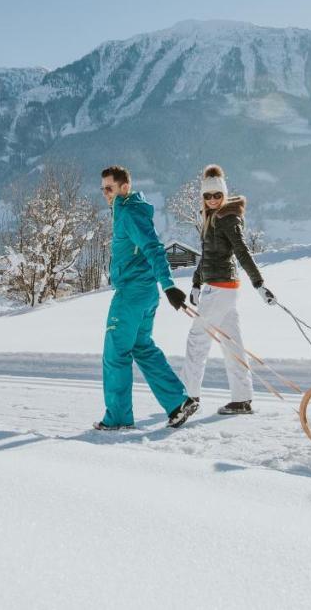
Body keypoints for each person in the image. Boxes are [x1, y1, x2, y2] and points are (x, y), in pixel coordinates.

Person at [94, 165, 200, 431]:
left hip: (131, 294)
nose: (106, 194)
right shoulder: (129, 210)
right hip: (144, 293)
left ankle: (118, 418)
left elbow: (153, 248)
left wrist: (169, 286)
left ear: (124, 187)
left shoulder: (128, 212)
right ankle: (178, 402)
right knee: (142, 347)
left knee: (115, 353)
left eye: (110, 188)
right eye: (103, 189)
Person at [179, 164, 275, 415]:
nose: (212, 200)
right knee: (231, 343)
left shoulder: (227, 218)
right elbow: (206, 256)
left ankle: (188, 396)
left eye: (217, 195)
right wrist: (196, 283)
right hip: (221, 287)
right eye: (207, 196)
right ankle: (242, 398)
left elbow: (242, 252)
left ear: (224, 194)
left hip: (220, 288)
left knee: (197, 340)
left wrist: (259, 283)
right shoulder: (212, 218)